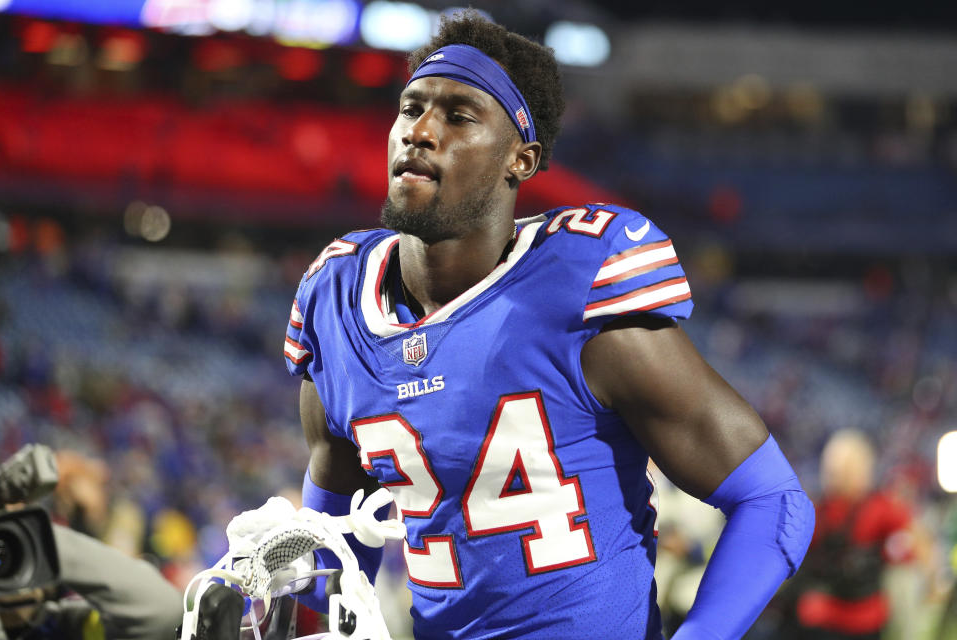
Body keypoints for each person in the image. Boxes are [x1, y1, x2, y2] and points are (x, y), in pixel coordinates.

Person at [280, 11, 815, 640]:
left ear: (520, 159)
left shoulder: (579, 294)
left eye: (458, 115)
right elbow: (338, 546)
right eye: (410, 107)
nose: (420, 132)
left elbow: (772, 500)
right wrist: (294, 619)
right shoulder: (337, 305)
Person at [782, 429, 914, 640]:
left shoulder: (882, 509)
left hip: (861, 619)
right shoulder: (819, 508)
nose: (837, 473)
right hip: (817, 617)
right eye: (835, 467)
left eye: (846, 467)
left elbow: (910, 547)